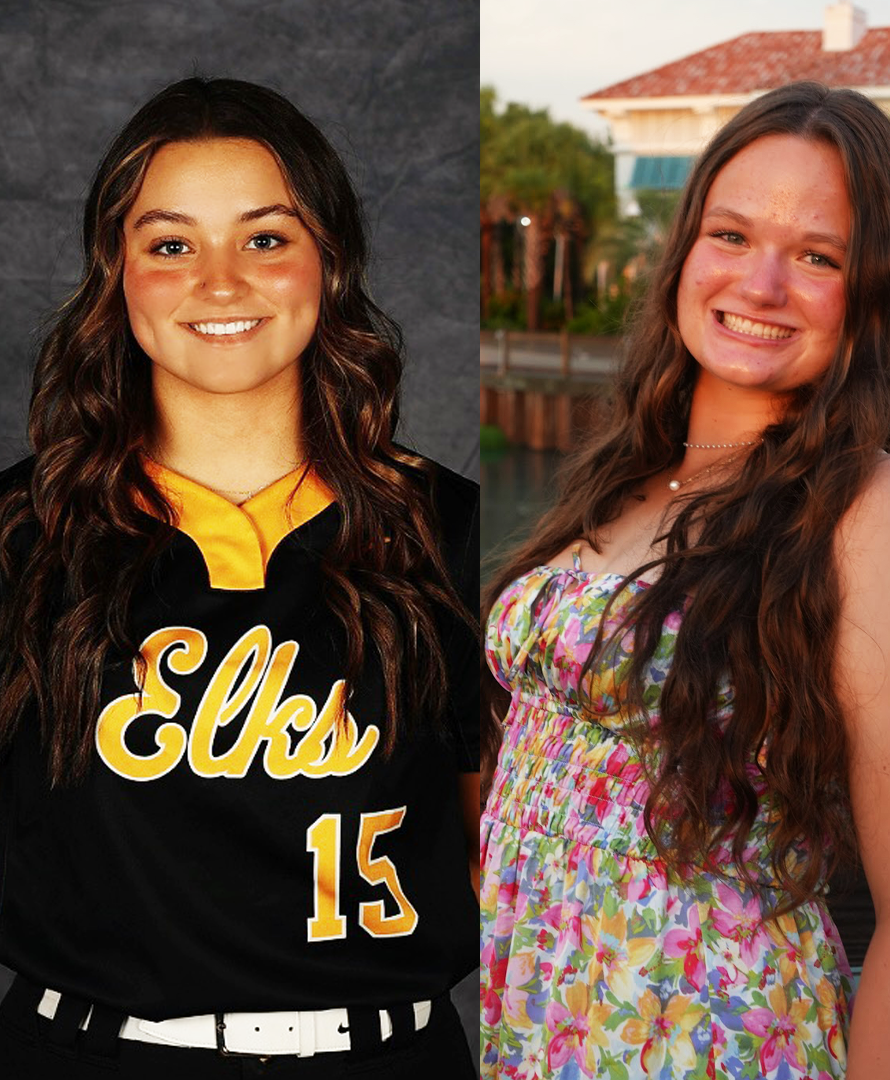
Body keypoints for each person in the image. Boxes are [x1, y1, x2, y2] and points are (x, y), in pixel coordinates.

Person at [0, 78, 484, 1077]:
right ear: (116, 275)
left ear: (330, 261)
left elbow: (516, 859)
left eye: (266, 238)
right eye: (170, 245)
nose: (220, 283)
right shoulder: (17, 533)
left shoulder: (452, 532)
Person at [478, 82, 890, 1079]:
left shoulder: (879, 510)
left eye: (818, 256)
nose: (763, 281)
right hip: (526, 1018)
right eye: (731, 235)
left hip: (701, 1034)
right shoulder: (624, 478)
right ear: (686, 250)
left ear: (872, 295)